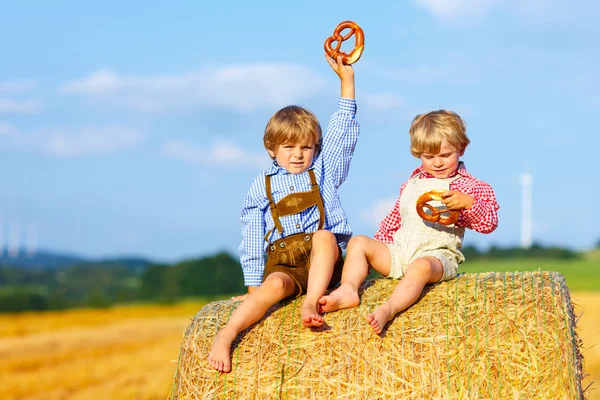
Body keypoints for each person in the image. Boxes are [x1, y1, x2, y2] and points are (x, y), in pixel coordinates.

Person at [208, 53, 359, 373]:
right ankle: (227, 334)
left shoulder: (325, 170)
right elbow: (250, 237)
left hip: (325, 263)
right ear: (271, 149)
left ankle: (311, 301)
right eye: (289, 147)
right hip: (284, 262)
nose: (298, 154)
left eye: (306, 147)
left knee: (324, 236)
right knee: (273, 287)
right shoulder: (261, 186)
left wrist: (347, 83)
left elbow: (341, 134)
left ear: (316, 148)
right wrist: (253, 288)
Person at [319, 110, 499, 334]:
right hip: (401, 252)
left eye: (445, 155)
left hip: (436, 257)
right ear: (418, 154)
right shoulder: (411, 183)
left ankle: (388, 309)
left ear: (461, 149)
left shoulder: (472, 187)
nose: (437, 163)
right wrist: (376, 252)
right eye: (429, 157)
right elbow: (393, 220)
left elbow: (489, 222)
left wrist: (469, 204)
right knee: (359, 243)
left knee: (421, 267)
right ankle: (348, 289)